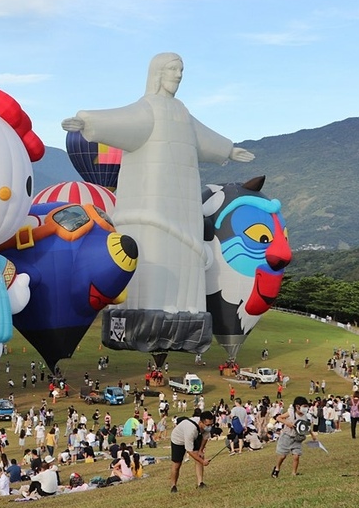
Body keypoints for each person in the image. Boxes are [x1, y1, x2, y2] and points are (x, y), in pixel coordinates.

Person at [62, 52, 254, 353]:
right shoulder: (148, 108)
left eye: (181, 70)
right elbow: (120, 120)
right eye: (173, 69)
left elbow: (203, 137)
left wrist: (229, 150)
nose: (178, 75)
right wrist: (87, 121)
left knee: (183, 256)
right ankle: (146, 308)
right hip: (151, 198)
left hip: (184, 202)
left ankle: (184, 312)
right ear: (158, 73)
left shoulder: (182, 112)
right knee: (154, 251)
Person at [272, 396, 319, 477]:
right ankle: (277, 468)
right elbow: (278, 418)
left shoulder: (304, 416)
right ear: (297, 406)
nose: (305, 408)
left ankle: (294, 473)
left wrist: (312, 435)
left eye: (306, 406)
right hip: (287, 437)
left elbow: (307, 426)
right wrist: (287, 423)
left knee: (296, 456)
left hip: (297, 438)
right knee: (282, 456)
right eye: (304, 406)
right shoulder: (290, 412)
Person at [169, 410, 215, 492]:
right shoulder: (191, 429)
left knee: (199, 456)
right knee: (177, 464)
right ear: (201, 422)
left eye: (211, 424)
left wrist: (201, 450)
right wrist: (203, 461)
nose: (210, 427)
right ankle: (173, 486)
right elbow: (189, 451)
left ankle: (200, 483)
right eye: (208, 425)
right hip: (178, 440)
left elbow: (205, 438)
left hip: (194, 437)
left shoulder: (205, 427)